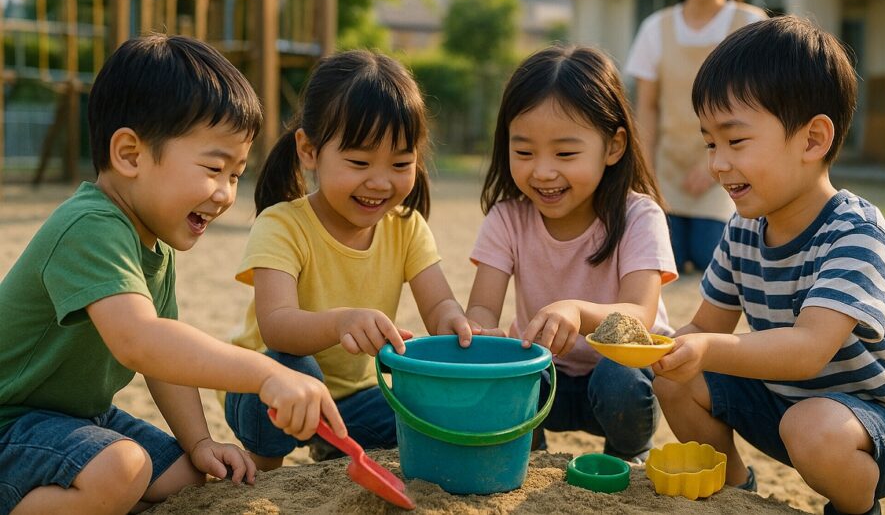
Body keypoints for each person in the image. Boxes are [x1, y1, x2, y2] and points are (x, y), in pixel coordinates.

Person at [0, 35, 345, 515]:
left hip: (75, 414)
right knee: (123, 469)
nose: (226, 193)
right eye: (214, 168)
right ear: (131, 155)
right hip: (10, 421)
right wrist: (266, 374)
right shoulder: (90, 226)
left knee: (189, 476)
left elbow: (166, 356)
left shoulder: (154, 242)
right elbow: (141, 341)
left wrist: (200, 440)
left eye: (236, 174)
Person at [652, 16, 885, 515]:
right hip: (783, 406)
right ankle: (736, 493)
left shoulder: (854, 232)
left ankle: (855, 509)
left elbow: (808, 351)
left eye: (735, 142)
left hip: (872, 429)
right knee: (674, 379)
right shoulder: (742, 230)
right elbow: (705, 327)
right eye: (709, 143)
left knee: (811, 428)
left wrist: (704, 346)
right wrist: (668, 348)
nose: (718, 163)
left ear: (812, 140)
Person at [224, 50, 475, 471]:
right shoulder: (282, 225)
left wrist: (456, 325)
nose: (380, 182)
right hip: (264, 387)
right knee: (291, 365)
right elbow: (277, 325)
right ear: (309, 150)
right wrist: (341, 322)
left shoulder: (406, 227)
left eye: (401, 163)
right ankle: (266, 470)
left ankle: (330, 443)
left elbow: (439, 307)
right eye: (359, 162)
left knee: (420, 420)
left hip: (354, 399)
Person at [466, 45, 677, 461]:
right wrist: (482, 336)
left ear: (613, 147)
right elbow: (481, 311)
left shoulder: (639, 216)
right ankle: (530, 447)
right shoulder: (507, 218)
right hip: (545, 378)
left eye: (565, 153)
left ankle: (627, 453)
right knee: (504, 367)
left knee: (620, 377)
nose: (543, 171)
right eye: (524, 152)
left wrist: (577, 312)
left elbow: (640, 315)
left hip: (620, 379)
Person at [625, 0, 766, 272]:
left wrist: (714, 167)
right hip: (668, 173)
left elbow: (762, 108)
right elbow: (648, 108)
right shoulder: (655, 28)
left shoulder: (750, 25)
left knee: (710, 256)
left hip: (728, 169)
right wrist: (647, 177)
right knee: (664, 257)